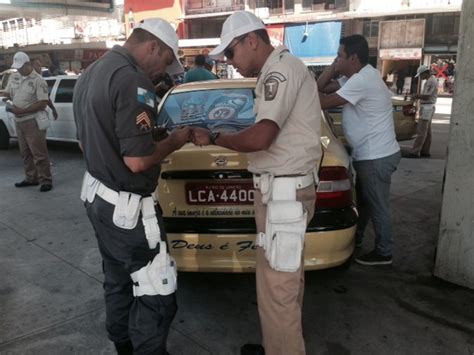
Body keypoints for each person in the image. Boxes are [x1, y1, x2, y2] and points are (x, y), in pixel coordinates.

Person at [192, 11, 322, 355]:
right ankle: (277, 345)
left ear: (251, 41)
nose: (230, 62)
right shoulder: (278, 68)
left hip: (283, 197)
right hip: (283, 195)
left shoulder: (278, 71)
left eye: (231, 53)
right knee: (281, 284)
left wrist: (216, 136)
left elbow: (262, 136)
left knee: (278, 290)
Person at [73, 18, 191, 355]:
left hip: (98, 198)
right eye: (166, 60)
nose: (162, 70)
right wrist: (176, 141)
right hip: (128, 209)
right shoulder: (133, 80)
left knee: (118, 279)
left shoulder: (91, 73)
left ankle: (123, 344)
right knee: (156, 288)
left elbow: (88, 143)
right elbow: (138, 162)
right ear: (153, 46)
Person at [317, 34, 401, 266]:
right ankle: (360, 240)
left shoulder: (362, 80)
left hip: (377, 156)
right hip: (373, 154)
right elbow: (320, 86)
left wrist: (334, 69)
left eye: (340, 56)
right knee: (365, 202)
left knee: (377, 205)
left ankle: (384, 252)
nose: (336, 60)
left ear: (353, 58)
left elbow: (320, 101)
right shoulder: (361, 76)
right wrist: (334, 67)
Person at [1, 52, 53, 192]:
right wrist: (3, 95)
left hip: (33, 122)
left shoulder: (38, 80)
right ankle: (31, 178)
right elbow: (8, 93)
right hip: (18, 122)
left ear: (27, 64)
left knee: (39, 153)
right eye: (16, 67)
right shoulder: (14, 76)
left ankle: (46, 180)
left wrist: (21, 111)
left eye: (20, 67)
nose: (18, 70)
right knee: (25, 153)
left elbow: (42, 103)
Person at [405, 65, 438, 158]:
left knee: (422, 130)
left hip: (427, 107)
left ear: (425, 73)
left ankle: (415, 151)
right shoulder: (431, 80)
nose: (420, 77)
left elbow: (426, 96)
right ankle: (425, 150)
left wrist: (416, 96)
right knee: (427, 131)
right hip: (429, 106)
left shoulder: (431, 81)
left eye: (421, 75)